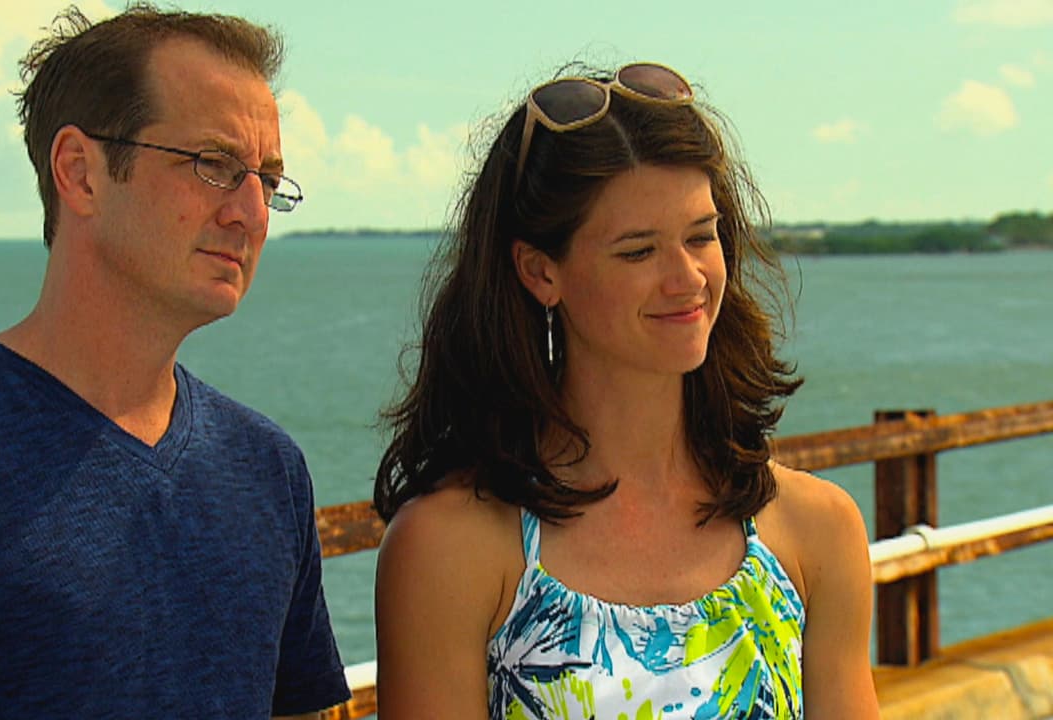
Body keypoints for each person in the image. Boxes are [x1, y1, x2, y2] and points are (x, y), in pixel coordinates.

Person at [0, 5, 349, 718]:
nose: (252, 213)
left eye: (266, 180)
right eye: (214, 166)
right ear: (80, 173)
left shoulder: (267, 470)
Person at [373, 62, 880, 719]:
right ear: (540, 271)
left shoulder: (817, 531)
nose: (687, 277)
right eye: (639, 251)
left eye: (701, 236)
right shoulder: (448, 549)